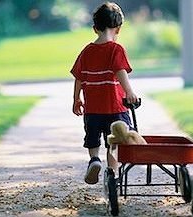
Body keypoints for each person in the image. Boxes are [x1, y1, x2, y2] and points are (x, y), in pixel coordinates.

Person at [70, 2, 138, 185]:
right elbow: (120, 71)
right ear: (118, 29)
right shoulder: (116, 49)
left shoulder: (87, 51)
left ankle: (94, 160)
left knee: (93, 139)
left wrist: (76, 99)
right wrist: (130, 92)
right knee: (114, 142)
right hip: (115, 107)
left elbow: (79, 77)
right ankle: (112, 173)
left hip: (92, 110)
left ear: (95, 29)